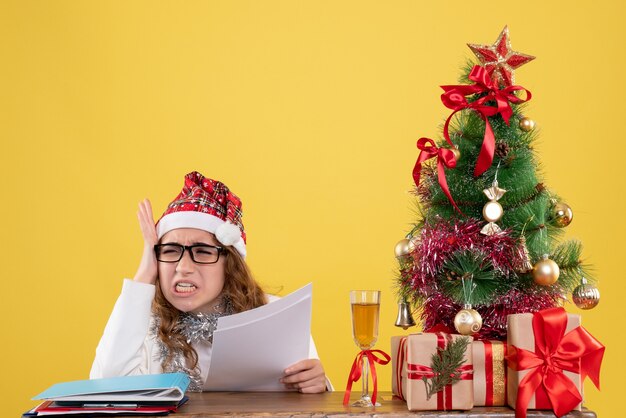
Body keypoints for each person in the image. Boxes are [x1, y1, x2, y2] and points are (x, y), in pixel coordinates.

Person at [90, 171, 329, 393]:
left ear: (230, 264)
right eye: (171, 251)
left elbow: (310, 402)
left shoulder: (274, 315)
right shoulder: (141, 323)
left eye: (202, 251)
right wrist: (144, 275)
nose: (183, 267)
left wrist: (317, 384)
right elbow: (106, 386)